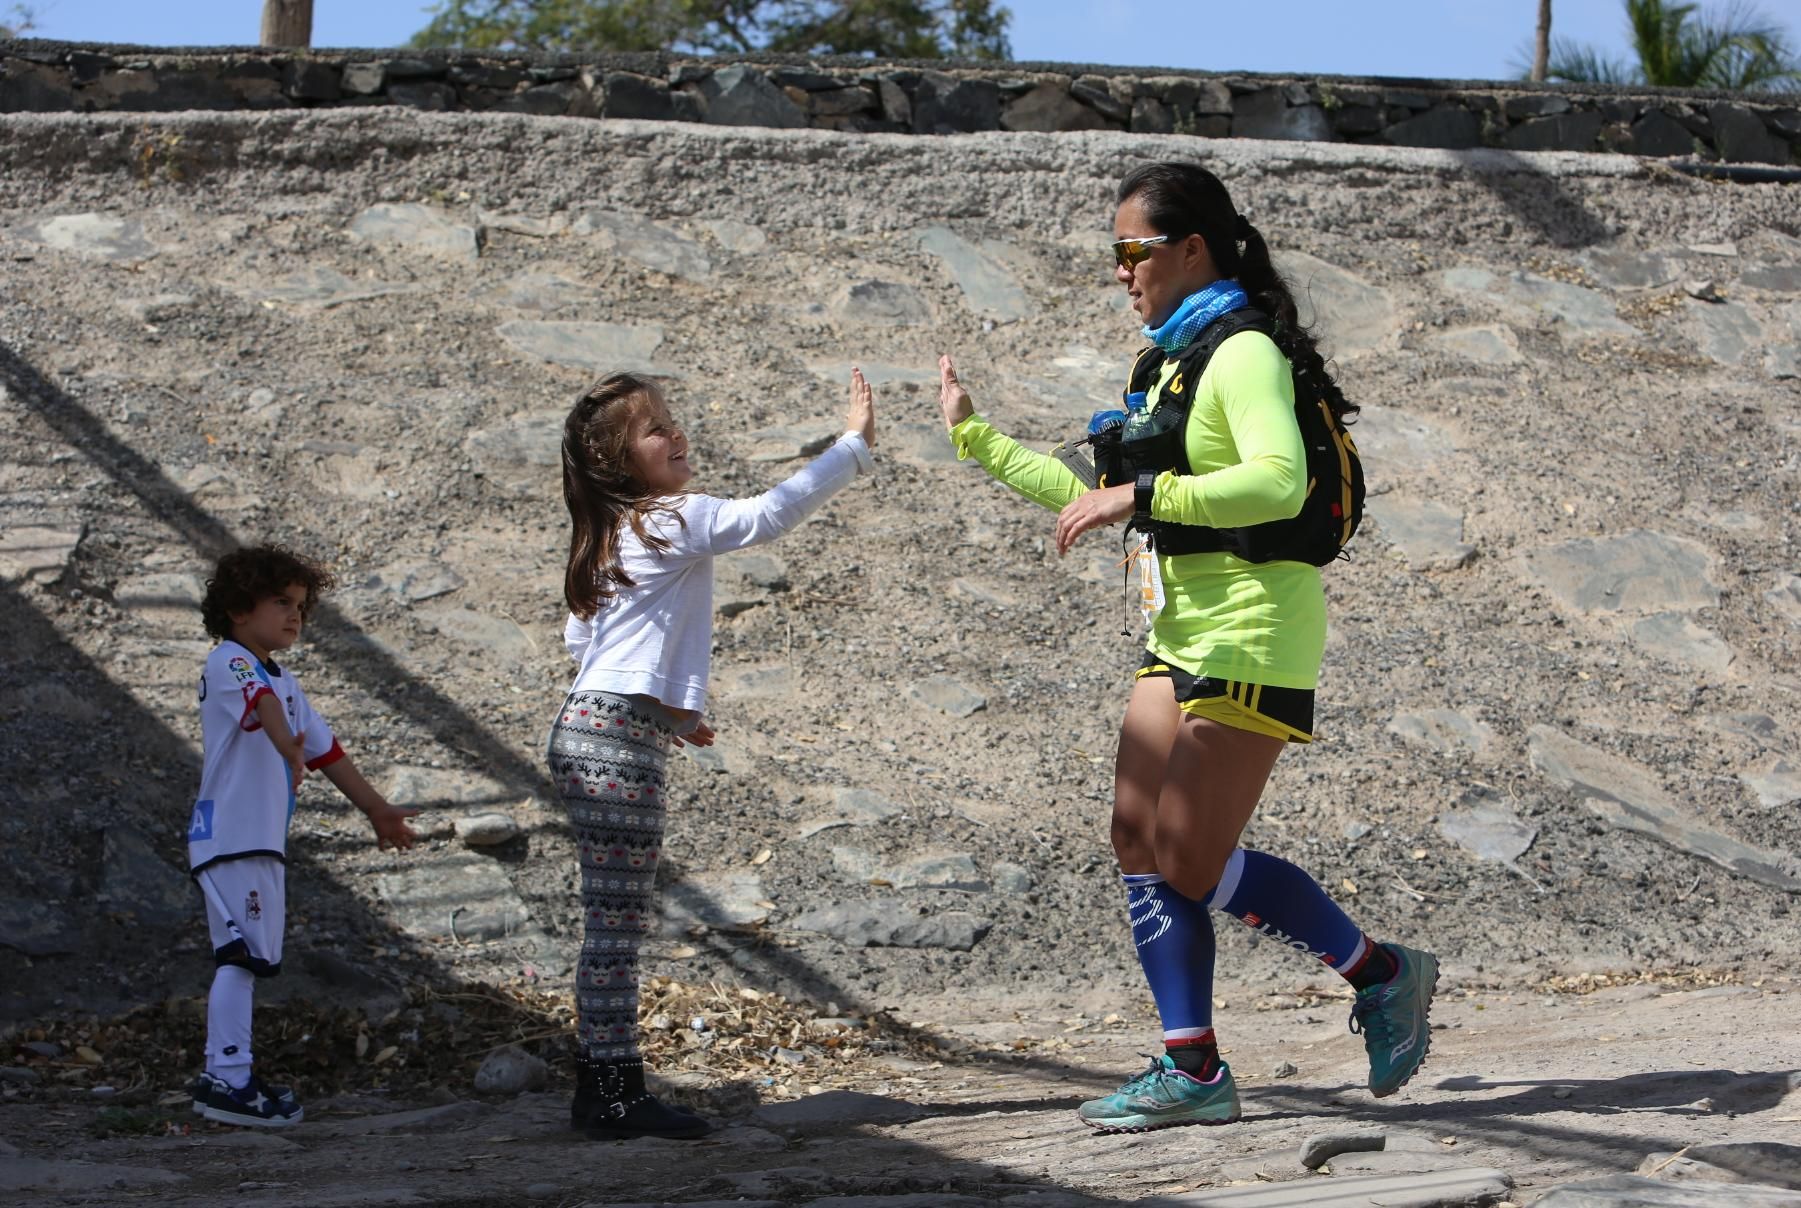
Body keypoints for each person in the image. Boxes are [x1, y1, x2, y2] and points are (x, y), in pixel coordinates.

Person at [933, 160, 1437, 1134]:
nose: (1120, 271)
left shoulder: (1241, 349)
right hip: (1179, 631)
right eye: (1113, 254)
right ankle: (1193, 1066)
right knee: (1136, 838)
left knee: (1189, 855)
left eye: (1133, 250)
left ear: (1189, 248)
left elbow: (1277, 483)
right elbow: (1096, 498)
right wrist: (977, 439)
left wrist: (1145, 495)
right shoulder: (1168, 357)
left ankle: (1379, 969)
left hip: (1253, 628)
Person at [552, 367, 876, 1141]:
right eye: (655, 427)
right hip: (615, 741)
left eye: (671, 418)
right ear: (620, 460)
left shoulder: (607, 534)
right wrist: (853, 447)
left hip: (592, 728)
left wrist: (667, 709)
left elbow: (583, 642)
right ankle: (611, 1094)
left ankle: (606, 1087)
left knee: (611, 922)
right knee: (615, 930)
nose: (676, 433)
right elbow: (768, 515)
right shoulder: (668, 518)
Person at [187, 544, 418, 1127]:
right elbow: (260, 705)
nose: (295, 615)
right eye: (281, 602)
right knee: (239, 959)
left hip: (257, 843)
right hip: (232, 837)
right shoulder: (229, 660)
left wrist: (376, 809)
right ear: (240, 608)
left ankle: (232, 1075)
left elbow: (326, 750)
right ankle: (226, 1079)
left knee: (248, 957)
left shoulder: (285, 680)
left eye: (301, 605)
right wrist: (284, 743)